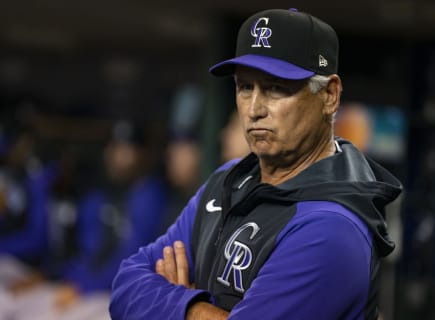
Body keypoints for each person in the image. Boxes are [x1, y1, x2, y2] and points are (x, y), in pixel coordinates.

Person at [109, 8, 402, 320]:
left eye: (276, 87)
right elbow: (126, 286)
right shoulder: (226, 180)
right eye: (245, 87)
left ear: (329, 95)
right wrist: (197, 308)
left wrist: (179, 303)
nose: (255, 108)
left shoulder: (332, 226)